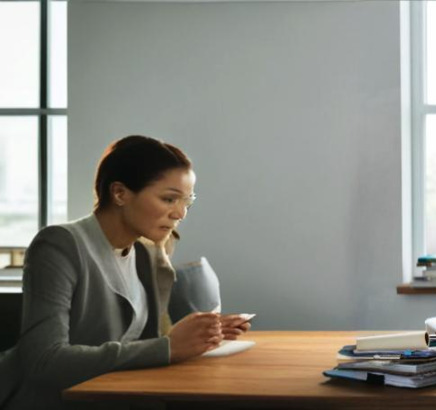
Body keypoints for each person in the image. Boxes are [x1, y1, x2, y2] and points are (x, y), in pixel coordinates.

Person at [0, 135, 251, 409]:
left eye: (186, 201)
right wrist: (168, 347)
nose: (180, 214)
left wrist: (202, 334)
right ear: (119, 193)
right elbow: (44, 361)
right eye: (169, 199)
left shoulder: (147, 252)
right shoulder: (59, 244)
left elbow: (139, 346)